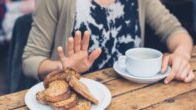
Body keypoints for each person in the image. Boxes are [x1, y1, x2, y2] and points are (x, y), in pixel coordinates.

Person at [23, 0, 194, 84]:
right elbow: (31, 60)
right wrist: (63, 68)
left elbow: (175, 31)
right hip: (75, 100)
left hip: (133, 97)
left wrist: (181, 54)